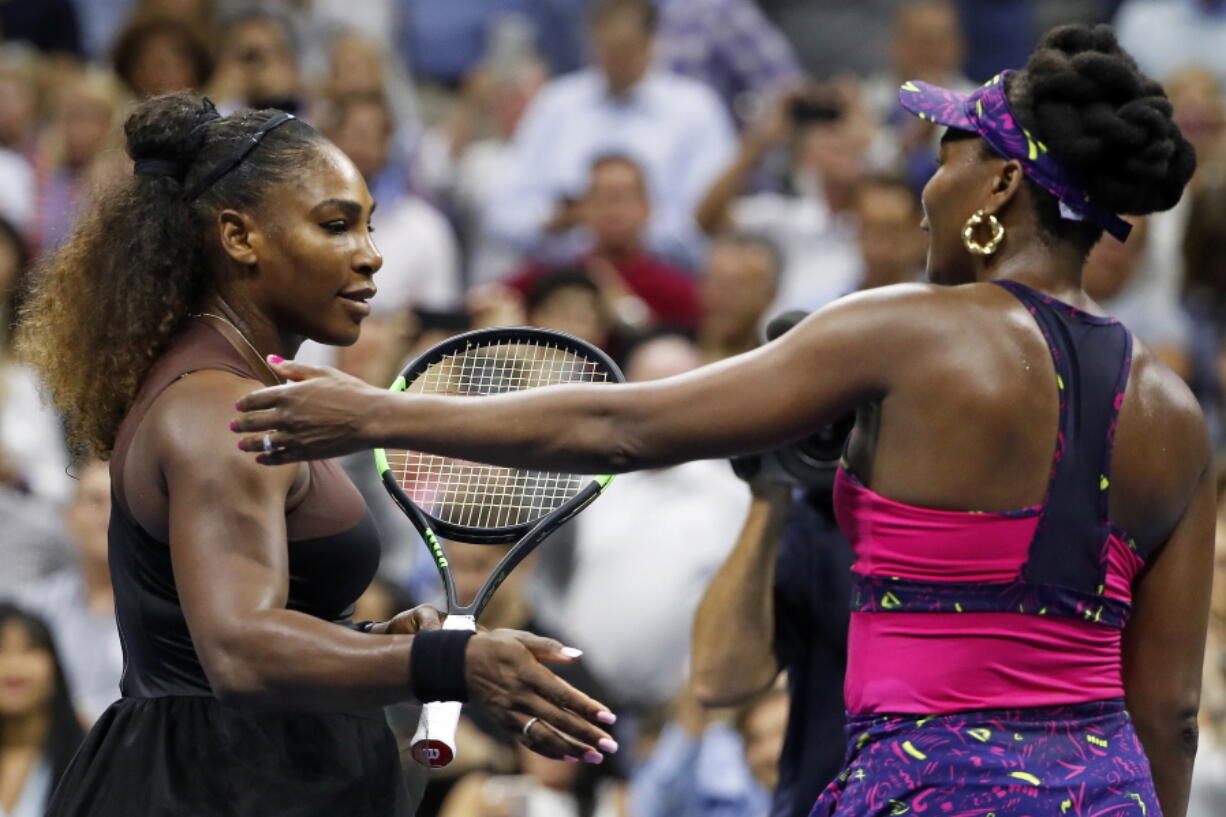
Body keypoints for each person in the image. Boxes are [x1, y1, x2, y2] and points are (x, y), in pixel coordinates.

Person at [234, 24, 1210, 817]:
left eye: (944, 156)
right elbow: (1165, 710)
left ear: (999, 182)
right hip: (1105, 793)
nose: (925, 190)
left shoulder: (902, 328)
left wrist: (376, 411)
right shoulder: (1173, 411)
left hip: (928, 790)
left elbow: (619, 427)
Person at [16, 91, 618, 816]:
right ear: (240, 237)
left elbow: (228, 622)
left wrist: (373, 639)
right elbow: (239, 651)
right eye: (336, 225)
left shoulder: (238, 386)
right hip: (219, 789)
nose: (370, 255)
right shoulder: (219, 410)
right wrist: (448, 661)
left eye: (369, 224)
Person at [484, 0, 735, 269]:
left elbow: (704, 222)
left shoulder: (695, 109)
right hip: (563, 274)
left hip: (663, 274)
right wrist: (550, 222)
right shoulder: (557, 103)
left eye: (625, 49)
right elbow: (502, 215)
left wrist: (621, 228)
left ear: (651, 42)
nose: (615, 60)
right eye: (606, 49)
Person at [9, 459, 123, 725]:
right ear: (69, 516)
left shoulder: (172, 610)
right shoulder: (34, 606)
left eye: (120, 502)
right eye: (95, 501)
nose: (108, 515)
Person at [0, 604, 86, 817]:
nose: (14, 665)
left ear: (55, 666)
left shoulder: (89, 758)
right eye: (1, 650)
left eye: (29, 649)